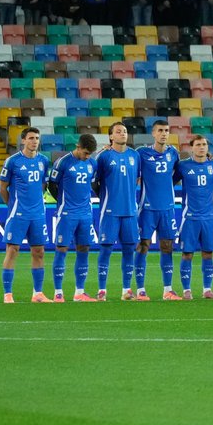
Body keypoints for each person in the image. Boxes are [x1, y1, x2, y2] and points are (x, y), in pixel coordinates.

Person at [0, 127, 51, 303]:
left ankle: (38, 294)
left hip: (37, 214)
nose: (34, 141)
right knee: (13, 250)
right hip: (18, 213)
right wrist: (13, 206)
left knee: (39, 252)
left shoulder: (44, 160)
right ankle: (8, 294)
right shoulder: (12, 161)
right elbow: (2, 188)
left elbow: (43, 186)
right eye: (30, 138)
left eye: (37, 137)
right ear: (23, 141)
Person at [93, 122, 140, 302]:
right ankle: (102, 290)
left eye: (125, 131)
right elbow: (93, 181)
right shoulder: (103, 156)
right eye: (118, 132)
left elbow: (137, 178)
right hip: (110, 211)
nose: (123, 134)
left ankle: (127, 290)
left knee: (129, 249)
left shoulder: (135, 155)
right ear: (111, 136)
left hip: (129, 211)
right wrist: (106, 196)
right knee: (106, 249)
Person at [48, 134, 98, 302]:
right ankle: (58, 292)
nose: (87, 156)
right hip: (67, 214)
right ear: (78, 147)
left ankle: (79, 292)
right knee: (61, 249)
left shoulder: (92, 163)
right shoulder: (63, 162)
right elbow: (52, 185)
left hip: (85, 214)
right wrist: (63, 203)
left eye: (89, 154)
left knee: (84, 250)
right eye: (85, 153)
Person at [135, 119, 181, 301]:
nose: (164, 133)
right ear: (153, 133)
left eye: (167, 130)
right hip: (147, 209)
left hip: (168, 208)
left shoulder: (173, 153)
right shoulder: (141, 153)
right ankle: (140, 290)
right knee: (143, 246)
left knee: (167, 247)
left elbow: (178, 173)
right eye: (160, 130)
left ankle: (168, 290)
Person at [174, 135, 213, 300]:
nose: (202, 147)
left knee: (208, 253)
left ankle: (207, 290)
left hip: (209, 217)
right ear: (191, 147)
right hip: (190, 217)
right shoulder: (183, 166)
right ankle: (186, 290)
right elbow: (170, 182)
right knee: (187, 254)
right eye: (198, 144)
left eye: (204, 145)